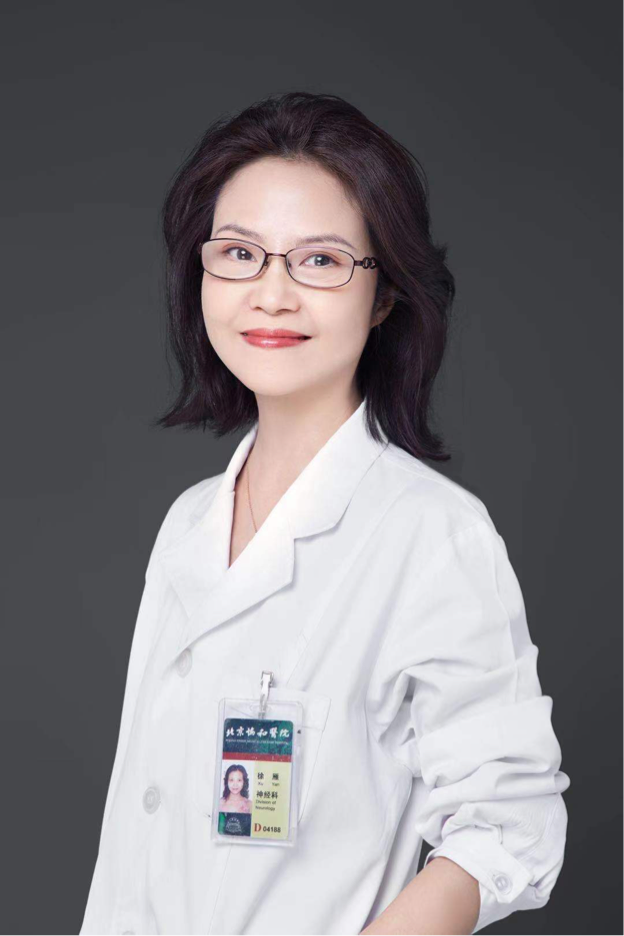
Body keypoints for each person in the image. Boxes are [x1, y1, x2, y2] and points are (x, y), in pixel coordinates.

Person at [79, 91, 570, 936]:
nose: (271, 294)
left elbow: (508, 827)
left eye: (320, 261)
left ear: (384, 296)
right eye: (240, 254)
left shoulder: (431, 535)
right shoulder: (188, 524)